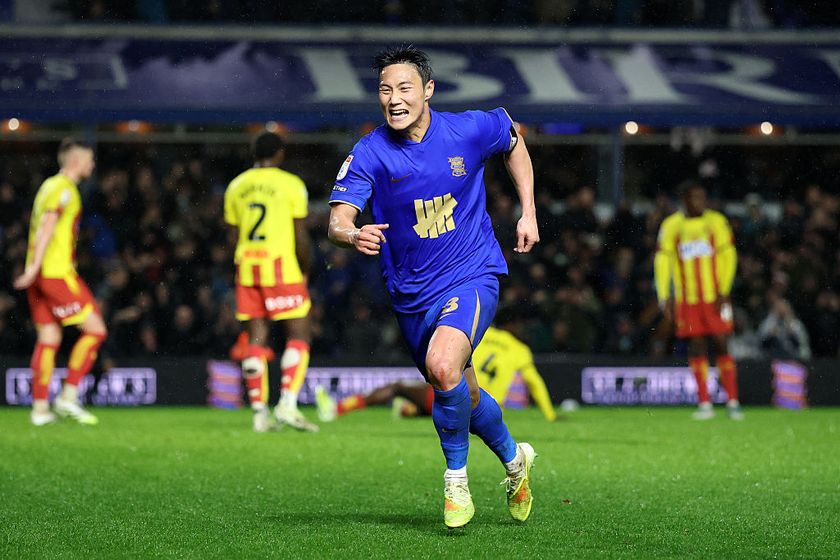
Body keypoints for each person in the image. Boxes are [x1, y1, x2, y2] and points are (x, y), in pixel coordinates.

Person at [327, 46, 540, 528]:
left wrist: (528, 210)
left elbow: (514, 141)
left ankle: (456, 484)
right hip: (410, 293)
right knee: (459, 385)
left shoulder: (468, 129)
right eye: (385, 90)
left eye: (405, 88)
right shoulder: (370, 151)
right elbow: (337, 219)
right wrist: (350, 233)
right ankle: (514, 461)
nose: (394, 99)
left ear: (428, 90)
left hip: (472, 272)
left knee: (443, 366)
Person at [224, 132, 317, 433]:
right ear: (279, 154)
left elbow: (232, 237)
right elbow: (300, 234)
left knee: (255, 339)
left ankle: (259, 414)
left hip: (248, 267)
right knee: (299, 333)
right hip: (281, 267)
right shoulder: (291, 184)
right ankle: (287, 405)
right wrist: (305, 267)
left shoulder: (236, 186)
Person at [315, 309, 558, 422]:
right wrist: (550, 415)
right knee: (436, 405)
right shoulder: (520, 350)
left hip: (458, 393)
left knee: (399, 387)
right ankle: (408, 411)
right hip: (486, 405)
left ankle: (336, 410)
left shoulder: (480, 333)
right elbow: (534, 384)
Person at [13, 138, 107, 426]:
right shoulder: (64, 189)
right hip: (55, 273)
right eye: (89, 159)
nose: (92, 165)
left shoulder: (47, 186)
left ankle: (40, 410)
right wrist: (36, 267)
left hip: (41, 274)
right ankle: (68, 396)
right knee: (96, 329)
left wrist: (32, 270)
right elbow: (47, 226)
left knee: (49, 338)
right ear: (76, 161)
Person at [654, 180, 743, 420]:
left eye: (703, 197)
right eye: (695, 198)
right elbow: (662, 262)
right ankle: (705, 403)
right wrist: (664, 295)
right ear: (685, 200)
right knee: (696, 346)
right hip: (687, 300)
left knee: (722, 342)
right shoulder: (672, 225)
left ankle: (732, 401)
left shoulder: (717, 222)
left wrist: (724, 290)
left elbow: (728, 256)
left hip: (715, 298)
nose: (700, 202)